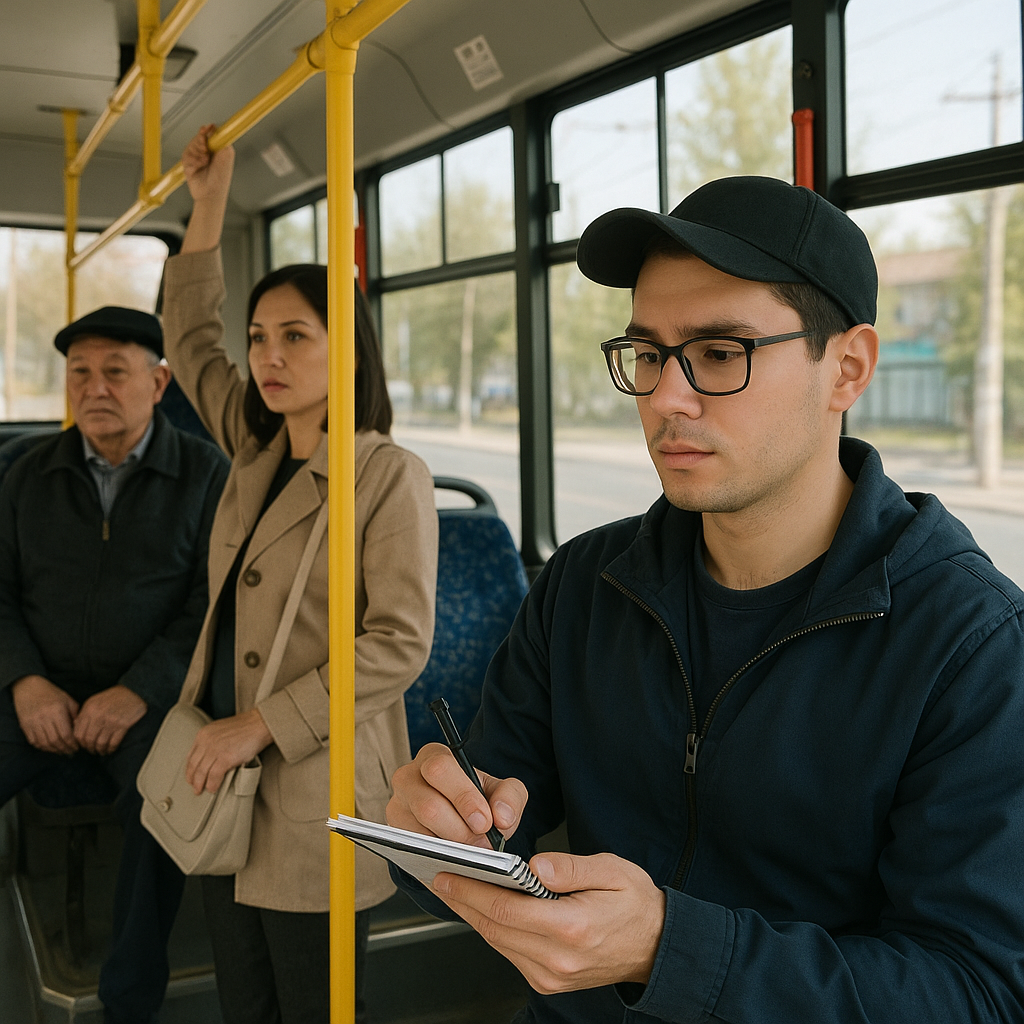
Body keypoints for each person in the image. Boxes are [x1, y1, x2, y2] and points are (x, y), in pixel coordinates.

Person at [386, 175, 1024, 1023]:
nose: (665, 398)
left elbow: (974, 991)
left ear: (848, 368)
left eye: (720, 354)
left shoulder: (970, 645)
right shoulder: (582, 587)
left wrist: (670, 951)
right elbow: (481, 819)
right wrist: (433, 838)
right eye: (648, 354)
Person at [161, 125, 438, 1024]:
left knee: (314, 1004)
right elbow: (191, 340)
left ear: (343, 348)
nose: (267, 356)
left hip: (315, 785)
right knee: (245, 999)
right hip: (225, 777)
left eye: (293, 336)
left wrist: (260, 726)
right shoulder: (253, 449)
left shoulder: (386, 475)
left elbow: (399, 643)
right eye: (259, 337)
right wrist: (210, 203)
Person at [0, 306, 229, 1024]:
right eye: (79, 374)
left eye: (115, 372)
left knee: (162, 804)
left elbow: (213, 602)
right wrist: (24, 681)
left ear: (160, 382)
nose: (94, 389)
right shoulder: (27, 472)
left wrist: (139, 690)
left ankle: (129, 999)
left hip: (148, 695)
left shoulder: (205, 473)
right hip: (38, 685)